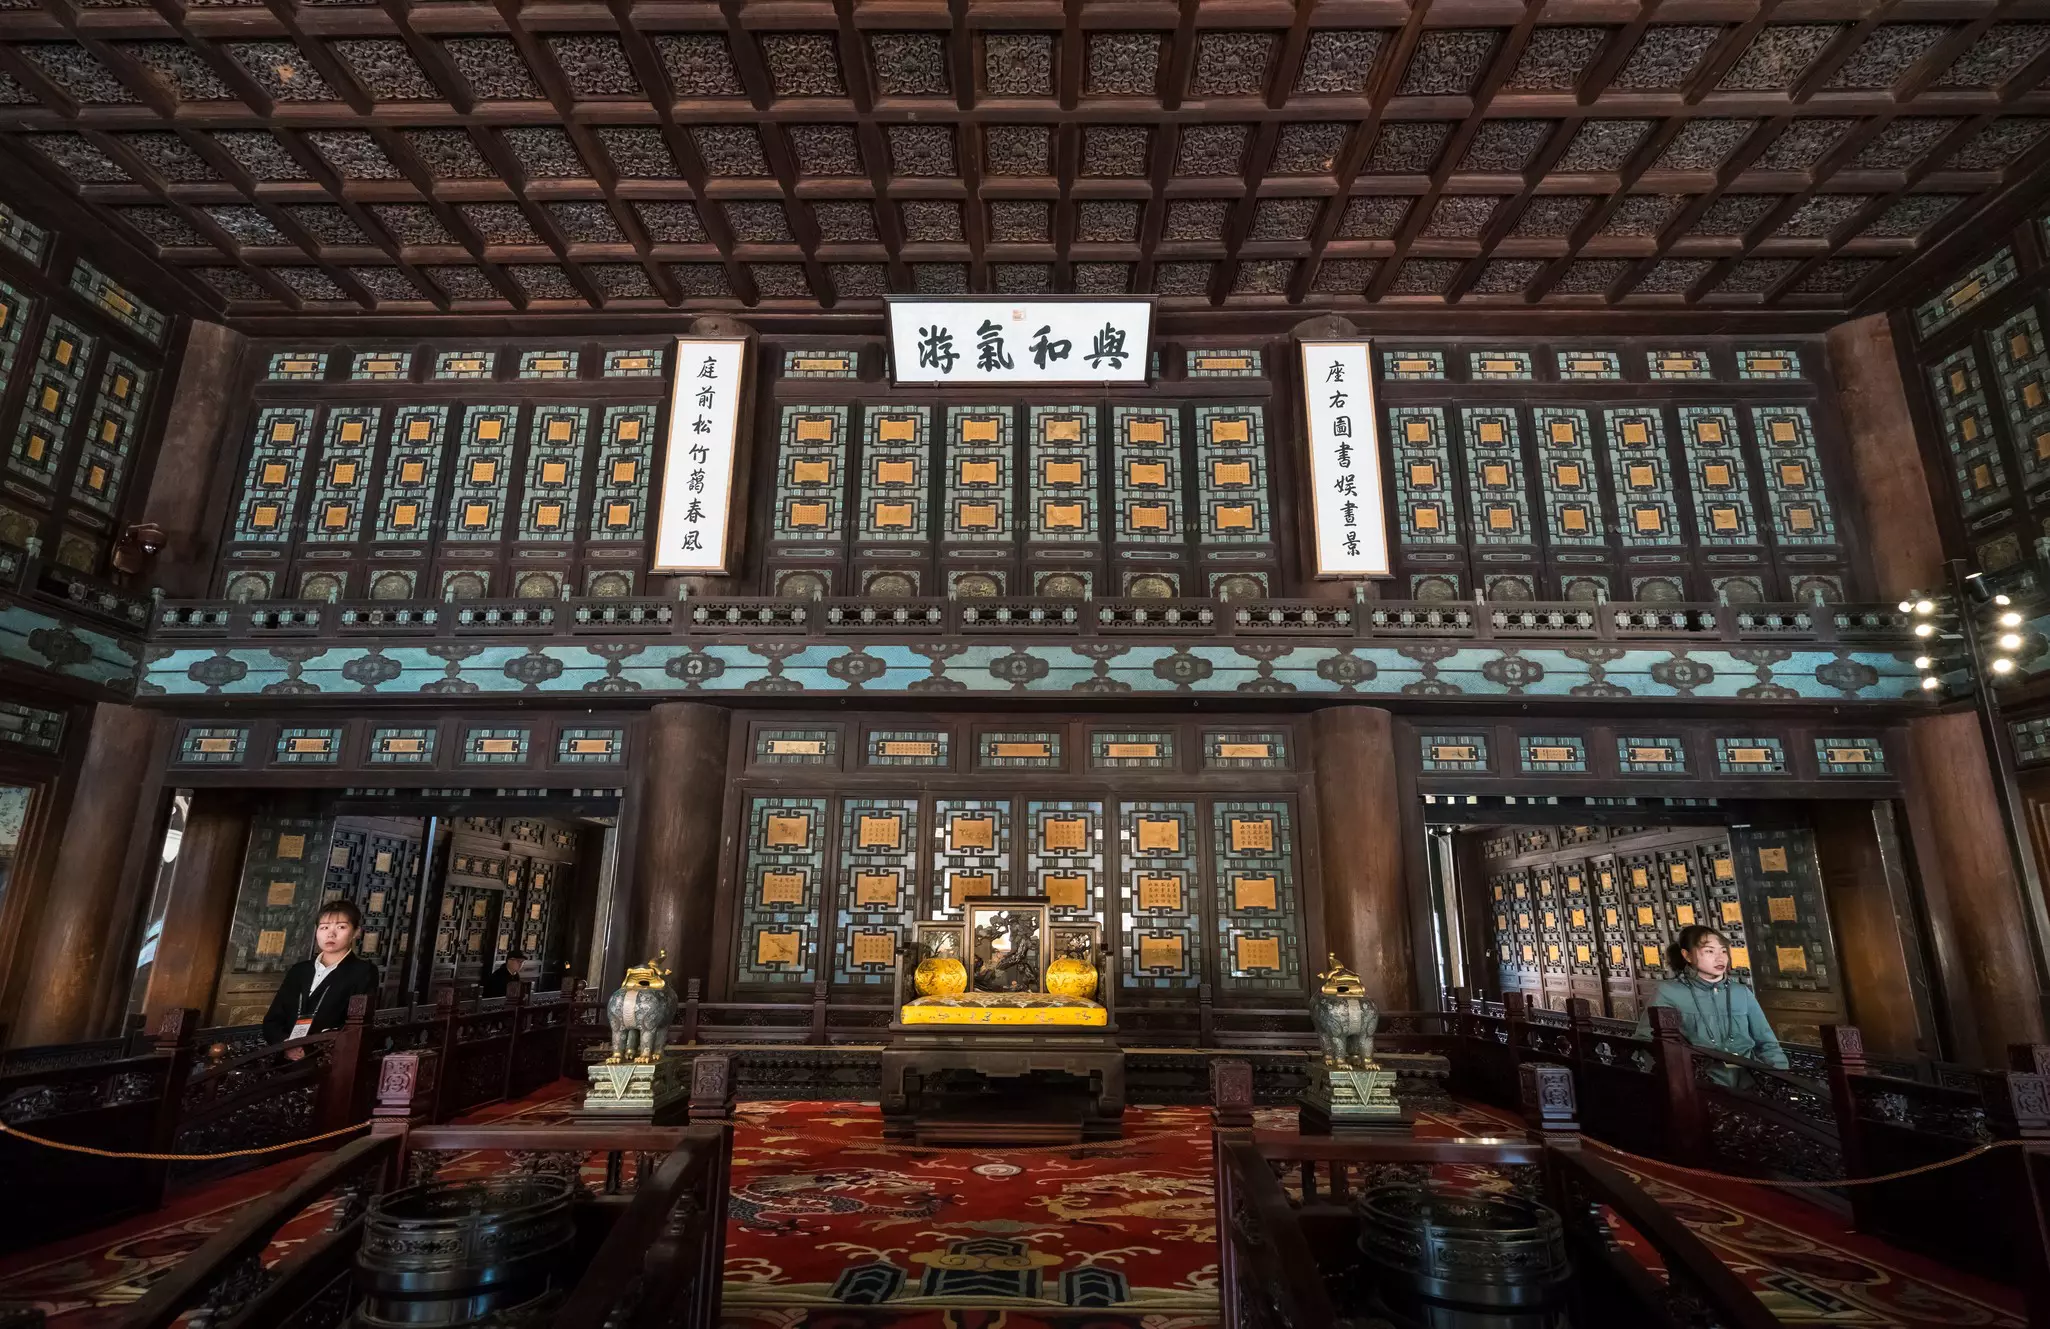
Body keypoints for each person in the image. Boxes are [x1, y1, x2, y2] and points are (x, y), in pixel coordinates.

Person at [1634, 924, 1787, 1086]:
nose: (1720, 958)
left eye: (1723, 951)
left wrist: (1780, 1080)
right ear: (1687, 956)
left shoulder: (1741, 993)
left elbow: (1767, 1043)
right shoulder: (1669, 992)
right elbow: (1646, 1042)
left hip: (1748, 1082)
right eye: (1709, 951)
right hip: (1698, 1085)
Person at [261, 899, 381, 1046]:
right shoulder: (299, 970)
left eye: (341, 927)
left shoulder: (363, 971)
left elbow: (357, 1026)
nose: (331, 934)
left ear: (356, 932)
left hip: (328, 1058)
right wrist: (286, 1044)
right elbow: (273, 1019)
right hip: (284, 1056)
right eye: (324, 928)